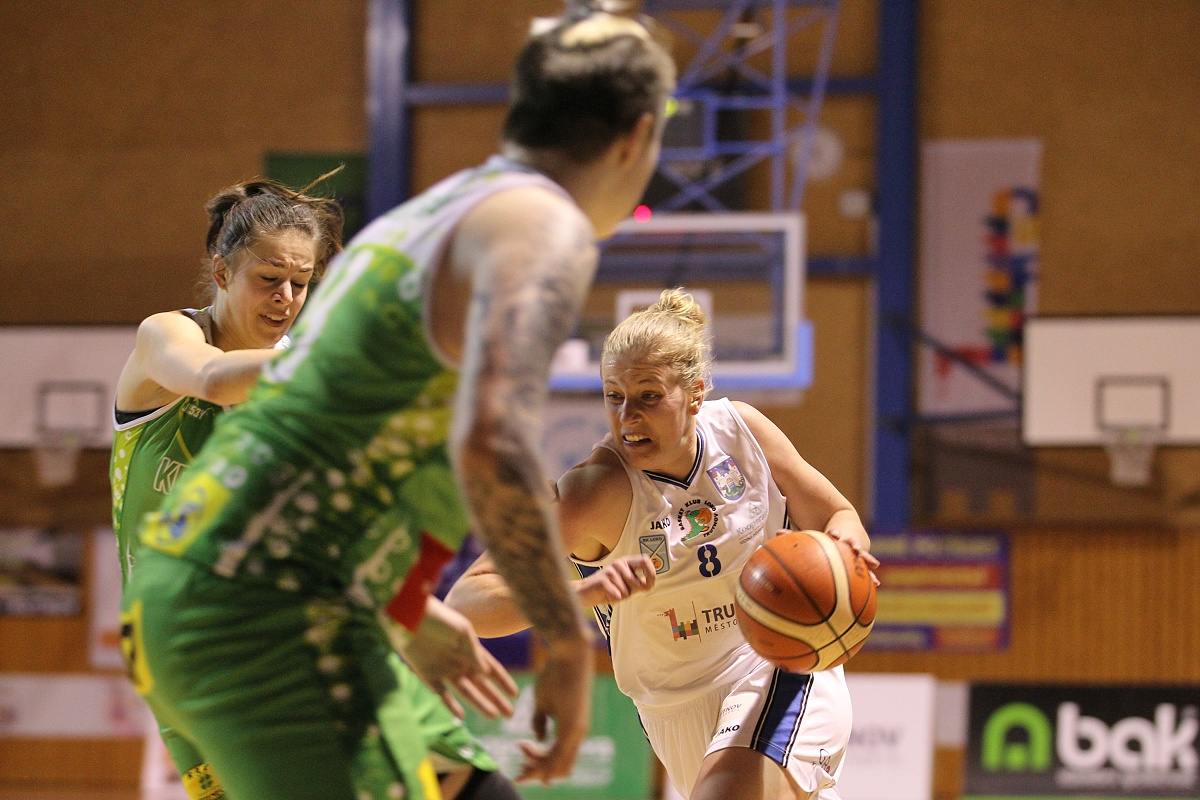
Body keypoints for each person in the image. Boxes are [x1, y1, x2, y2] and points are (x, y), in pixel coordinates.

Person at [120, 9, 676, 800]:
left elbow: (330, 456)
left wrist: (411, 607)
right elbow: (495, 442)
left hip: (283, 591)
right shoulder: (545, 226)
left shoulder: (435, 211)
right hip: (268, 608)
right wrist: (563, 644)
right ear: (638, 137)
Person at [112, 178, 509, 800]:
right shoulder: (168, 335)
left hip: (306, 621)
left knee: (474, 785)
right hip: (199, 644)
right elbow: (212, 379)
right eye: (269, 279)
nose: (286, 298)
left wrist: (418, 614)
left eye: (301, 283)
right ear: (221, 270)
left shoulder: (304, 369)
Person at [446, 289, 880, 800]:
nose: (628, 415)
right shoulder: (593, 493)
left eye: (648, 396)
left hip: (777, 658)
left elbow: (837, 515)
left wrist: (843, 557)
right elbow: (467, 602)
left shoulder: (743, 432)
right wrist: (578, 595)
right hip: (671, 706)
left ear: (695, 393)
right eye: (614, 396)